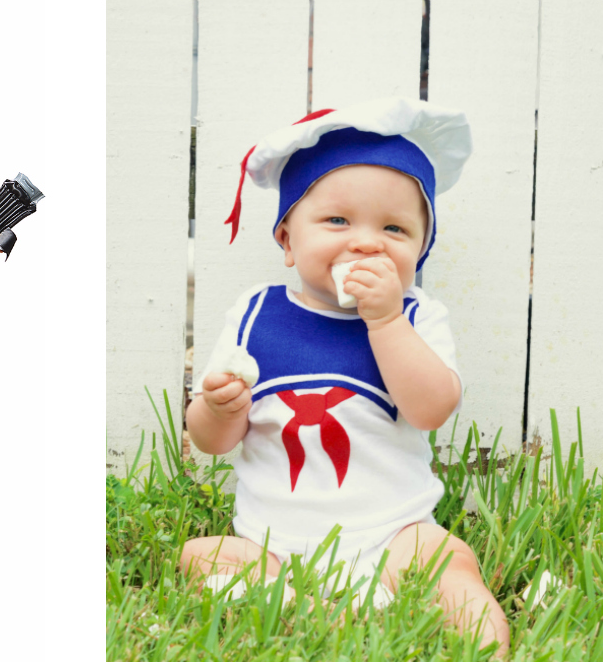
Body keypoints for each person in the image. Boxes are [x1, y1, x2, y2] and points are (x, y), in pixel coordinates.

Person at [179, 98, 509, 655]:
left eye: (395, 229)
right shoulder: (255, 313)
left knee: (449, 559)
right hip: (273, 543)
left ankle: (485, 647)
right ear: (287, 239)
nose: (366, 241)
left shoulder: (417, 316)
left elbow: (430, 409)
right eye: (337, 220)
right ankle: (316, 607)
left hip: (395, 534)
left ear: (420, 251)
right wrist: (218, 409)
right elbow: (211, 443)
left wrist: (383, 319)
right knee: (198, 556)